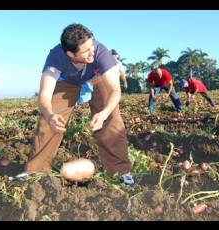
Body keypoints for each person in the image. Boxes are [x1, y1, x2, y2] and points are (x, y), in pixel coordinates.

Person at [16, 23, 134, 186]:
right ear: (71, 53)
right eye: (85, 51)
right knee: (49, 122)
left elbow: (115, 90)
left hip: (96, 78)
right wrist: (50, 115)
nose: (92, 51)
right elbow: (44, 95)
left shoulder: (101, 53)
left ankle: (121, 172)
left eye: (91, 45)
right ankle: (35, 172)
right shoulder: (55, 57)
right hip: (67, 82)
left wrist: (104, 113)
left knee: (112, 119)